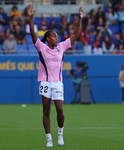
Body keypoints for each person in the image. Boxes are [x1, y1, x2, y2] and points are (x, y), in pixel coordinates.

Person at [27, 4, 83, 147]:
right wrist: (31, 18)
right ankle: (49, 139)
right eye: (54, 36)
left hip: (58, 82)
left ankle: (60, 134)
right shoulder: (41, 47)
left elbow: (76, 35)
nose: (56, 38)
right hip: (45, 83)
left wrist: (80, 19)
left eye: (57, 36)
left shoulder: (62, 47)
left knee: (60, 109)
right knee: (46, 110)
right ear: (47, 38)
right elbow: (33, 34)